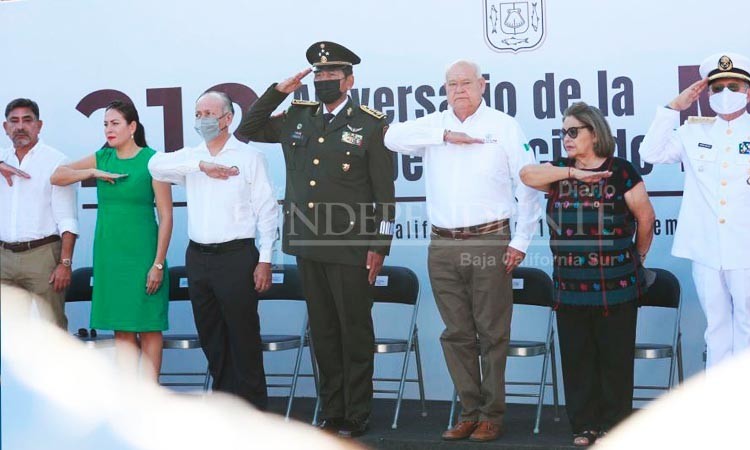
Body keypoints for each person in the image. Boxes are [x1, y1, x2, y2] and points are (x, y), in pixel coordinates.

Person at [237, 41, 395, 438]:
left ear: (349, 81)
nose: (324, 81)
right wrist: (280, 91)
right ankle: (332, 411)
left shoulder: (370, 124)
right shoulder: (297, 116)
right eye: (319, 75)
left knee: (354, 332)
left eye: (331, 76)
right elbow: (248, 129)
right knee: (323, 333)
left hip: (351, 246)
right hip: (307, 242)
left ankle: (357, 413)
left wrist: (379, 245)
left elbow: (384, 194)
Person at [384, 60, 542, 442]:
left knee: (491, 332)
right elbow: (390, 137)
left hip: (489, 240)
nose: (459, 90)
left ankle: (492, 414)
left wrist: (521, 241)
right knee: (456, 333)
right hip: (442, 243)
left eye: (466, 83)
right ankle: (469, 412)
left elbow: (529, 184)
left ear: (482, 85)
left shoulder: (503, 125)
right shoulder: (434, 124)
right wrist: (445, 136)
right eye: (452, 84)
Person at [640, 52, 750, 368]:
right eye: (718, 87)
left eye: (734, 86)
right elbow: (650, 152)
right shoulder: (693, 131)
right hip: (707, 249)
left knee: (748, 330)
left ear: (749, 93)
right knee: (716, 331)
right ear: (708, 93)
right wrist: (674, 108)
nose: (726, 93)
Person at [520, 102, 656, 446]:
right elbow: (526, 175)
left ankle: (616, 426)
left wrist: (637, 257)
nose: (565, 138)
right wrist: (572, 174)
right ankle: (584, 426)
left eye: (572, 131)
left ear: (594, 133)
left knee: (615, 360)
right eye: (563, 131)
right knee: (578, 360)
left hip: (617, 286)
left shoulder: (621, 171)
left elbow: (645, 218)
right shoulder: (558, 171)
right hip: (570, 287)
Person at [148, 91, 277, 409]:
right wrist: (201, 165)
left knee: (243, 337)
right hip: (199, 258)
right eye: (198, 113)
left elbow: (268, 211)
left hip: (237, 256)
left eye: (209, 113)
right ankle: (226, 408)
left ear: (228, 118)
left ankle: (255, 412)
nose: (202, 119)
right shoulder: (190, 158)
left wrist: (265, 259)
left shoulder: (249, 157)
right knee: (212, 337)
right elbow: (155, 166)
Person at [51, 100, 173, 381]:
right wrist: (92, 173)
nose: (109, 129)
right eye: (105, 123)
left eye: (115, 123)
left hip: (144, 255)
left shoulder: (153, 161)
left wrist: (157, 264)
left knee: (149, 326)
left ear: (132, 127)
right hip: (110, 256)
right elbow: (57, 176)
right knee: (122, 328)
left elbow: (166, 216)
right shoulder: (101, 158)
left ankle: (150, 394)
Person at [1, 98, 78, 329]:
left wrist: (65, 263)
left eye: (27, 120)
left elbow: (67, 218)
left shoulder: (55, 162)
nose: (20, 126)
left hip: (42, 256)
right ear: (5, 127)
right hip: (3, 257)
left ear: (39, 125)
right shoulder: (2, 158)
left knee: (51, 329)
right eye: (13, 121)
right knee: (10, 334)